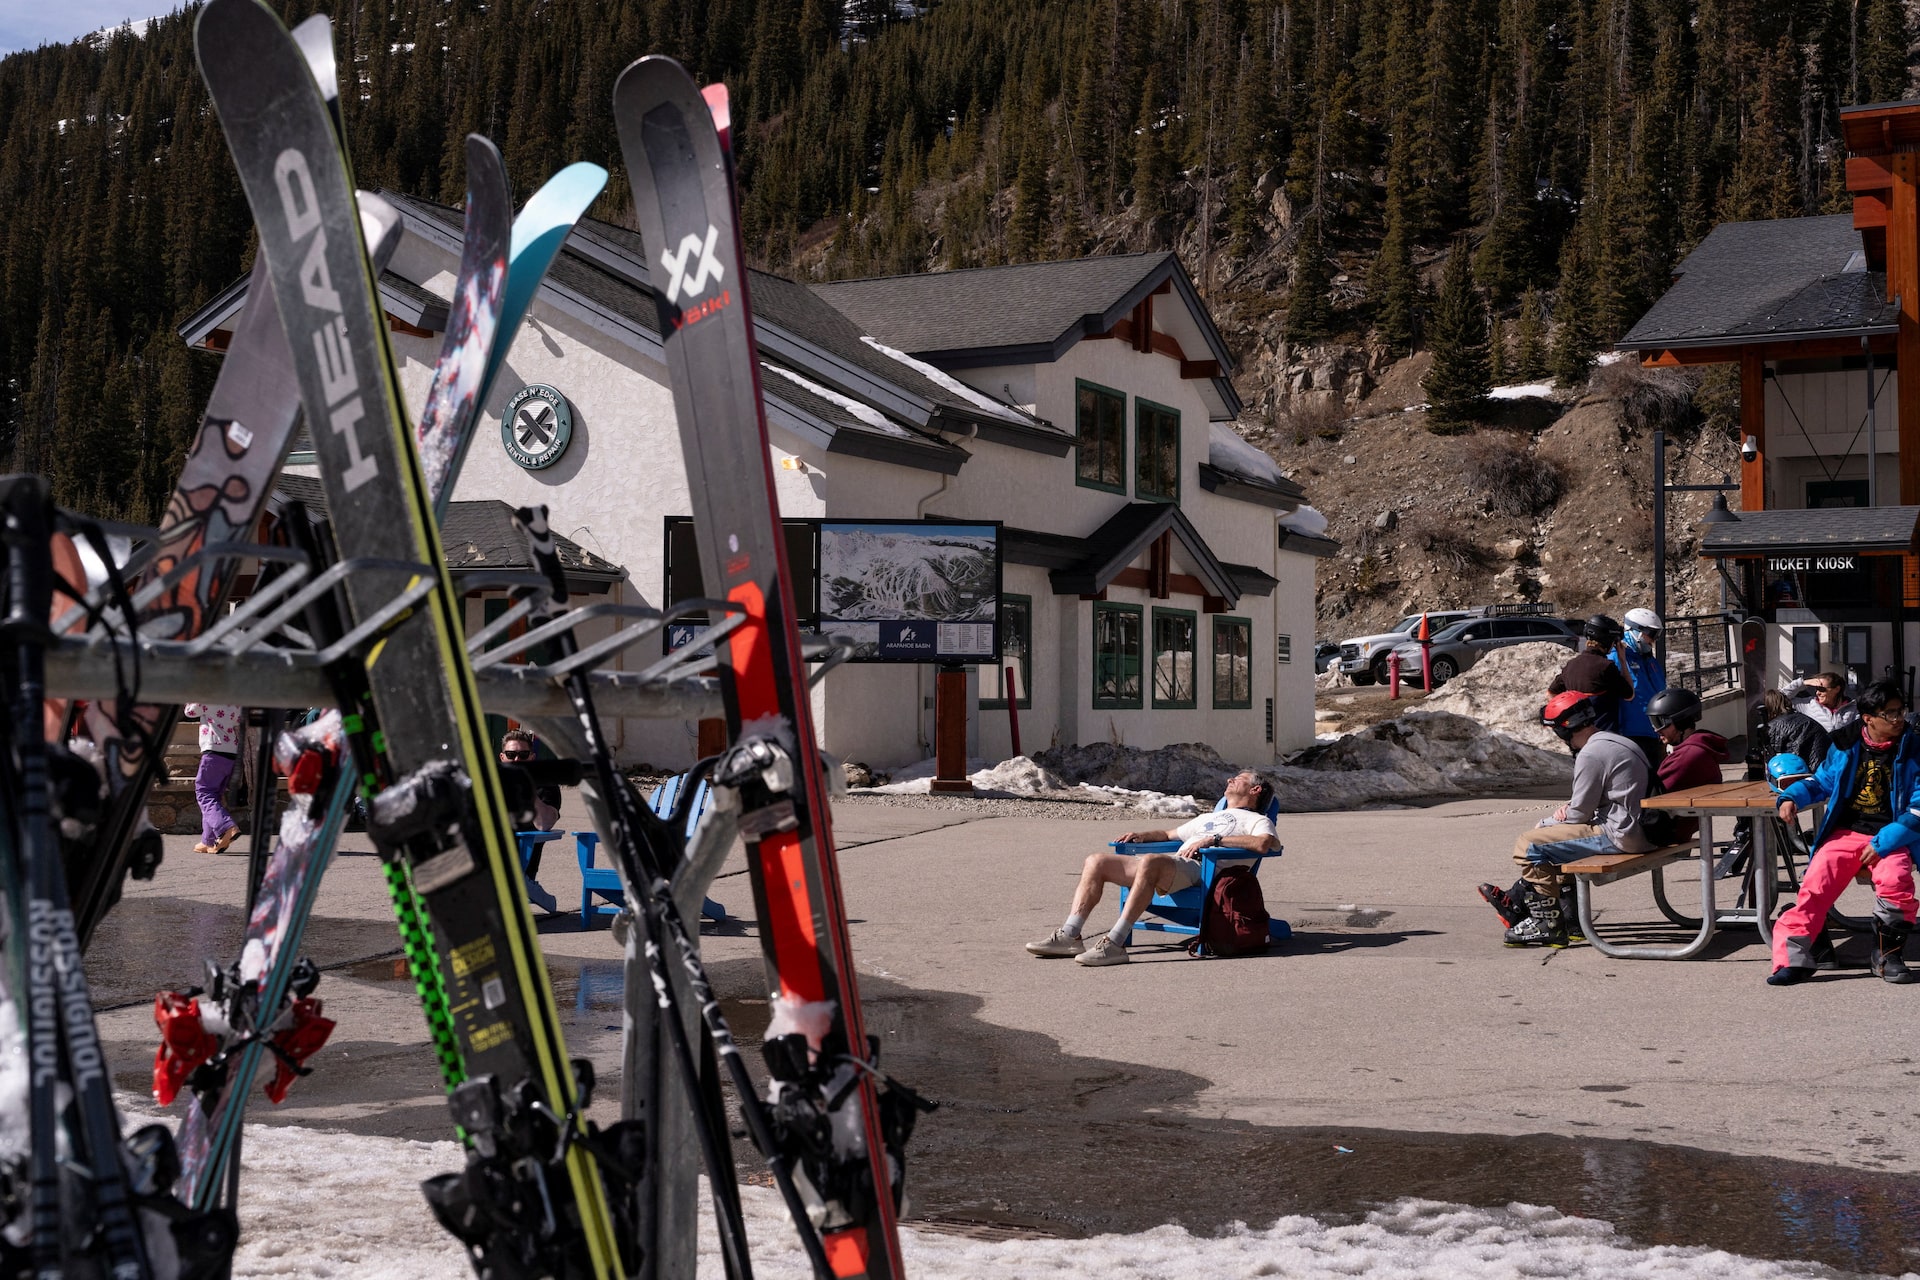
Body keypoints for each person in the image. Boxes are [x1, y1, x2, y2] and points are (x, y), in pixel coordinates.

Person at [1026, 770, 1279, 968]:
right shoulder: (1209, 818)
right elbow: (1169, 834)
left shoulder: (1258, 820)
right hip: (1175, 866)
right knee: (1096, 861)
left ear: (1255, 789)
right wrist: (1141, 835)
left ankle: (1115, 943)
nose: (1230, 779)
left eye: (1239, 778)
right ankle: (1070, 935)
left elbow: (1264, 843)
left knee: (1150, 862)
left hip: (1204, 873)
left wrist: (1214, 840)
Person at [1768, 678, 1920, 986]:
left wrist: (1885, 841)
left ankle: (1887, 956)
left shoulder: (1915, 748)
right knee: (1814, 884)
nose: (1898, 719)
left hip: (1894, 835)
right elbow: (1821, 782)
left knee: (1896, 882)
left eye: (1900, 711)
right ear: (1868, 718)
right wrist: (1792, 797)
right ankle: (1793, 960)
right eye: (1890, 713)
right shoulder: (1845, 744)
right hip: (1846, 832)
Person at [1480, 690, 1653, 948]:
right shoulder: (1615, 741)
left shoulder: (1591, 754)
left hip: (1621, 834)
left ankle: (1547, 925)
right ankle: (1570, 921)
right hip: (1639, 828)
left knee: (1529, 845)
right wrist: (1567, 814)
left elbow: (1579, 815)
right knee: (1555, 843)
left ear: (1564, 729)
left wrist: (1546, 823)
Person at [1645, 687, 1729, 844]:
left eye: (1659, 722)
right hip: (1676, 828)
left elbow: (1651, 796)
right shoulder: (1700, 749)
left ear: (1680, 722)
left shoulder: (1687, 755)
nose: (1656, 730)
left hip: (1661, 833)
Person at [500, 728, 561, 912]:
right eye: (511, 755)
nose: (517, 760)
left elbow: (545, 824)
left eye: (523, 755)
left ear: (532, 758)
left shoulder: (545, 785)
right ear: (502, 758)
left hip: (518, 864)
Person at [1549, 616, 1633, 736]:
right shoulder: (1605, 666)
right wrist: (1622, 660)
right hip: (1604, 736)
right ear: (1608, 641)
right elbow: (1629, 695)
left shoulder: (1571, 665)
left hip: (1579, 737)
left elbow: (1551, 692)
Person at [1612, 608, 1669, 766]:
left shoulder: (1650, 661)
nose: (1653, 640)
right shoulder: (1617, 658)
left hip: (1655, 733)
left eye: (1657, 635)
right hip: (1631, 735)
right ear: (1634, 631)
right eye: (1651, 634)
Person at [184, 703, 243, 854]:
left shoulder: (209, 698)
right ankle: (209, 840)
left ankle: (226, 827)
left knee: (204, 792)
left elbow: (189, 711)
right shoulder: (235, 700)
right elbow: (237, 720)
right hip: (231, 752)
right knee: (214, 795)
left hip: (213, 749)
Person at [1763, 689, 1831, 768]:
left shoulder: (1773, 726)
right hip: (1822, 766)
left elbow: (1773, 757)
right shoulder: (1805, 719)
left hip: (1797, 769)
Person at [1788, 672, 1858, 735]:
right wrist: (1803, 682)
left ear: (1837, 689)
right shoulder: (1808, 704)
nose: (1817, 693)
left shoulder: (1853, 708)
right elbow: (1782, 698)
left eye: (1822, 689)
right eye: (1816, 689)